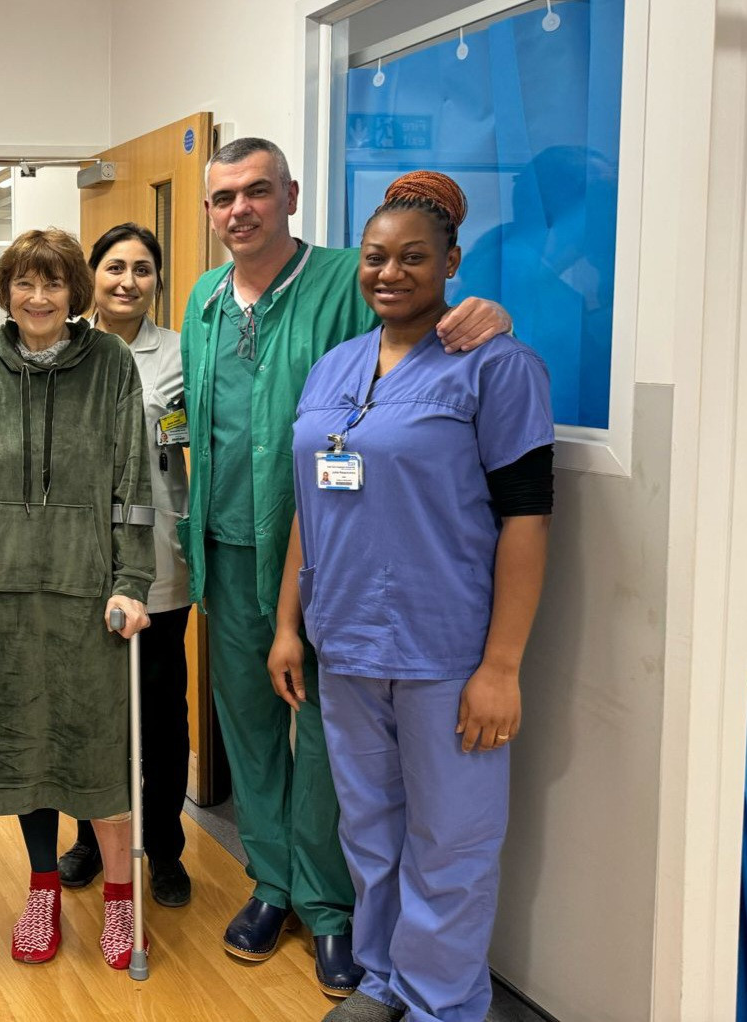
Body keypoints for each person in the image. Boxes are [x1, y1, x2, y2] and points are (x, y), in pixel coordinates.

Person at [179, 137, 512, 998]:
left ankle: (328, 907)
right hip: (227, 545)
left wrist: (493, 315)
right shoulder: (204, 299)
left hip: (328, 556)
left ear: (290, 195)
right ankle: (271, 881)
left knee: (333, 745)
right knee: (248, 724)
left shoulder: (342, 277)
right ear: (208, 210)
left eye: (256, 191)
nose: (238, 209)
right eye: (221, 197)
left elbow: (426, 335)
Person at [269, 171, 553, 1022]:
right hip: (345, 643)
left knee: (451, 843)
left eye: (413, 258)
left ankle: (441, 1002)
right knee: (369, 831)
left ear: (451, 263)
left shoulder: (494, 368)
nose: (390, 273)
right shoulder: (334, 366)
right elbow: (307, 504)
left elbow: (527, 523)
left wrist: (501, 665)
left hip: (444, 649)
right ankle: (385, 978)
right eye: (375, 257)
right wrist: (288, 624)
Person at [0, 227, 155, 970]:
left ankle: (122, 900)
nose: (38, 298)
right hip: (4, 591)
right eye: (24, 284)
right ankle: (41, 889)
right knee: (25, 749)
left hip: (86, 590)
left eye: (54, 284)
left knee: (98, 754)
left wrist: (130, 582)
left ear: (74, 293)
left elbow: (132, 486)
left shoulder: (111, 363)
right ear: (6, 290)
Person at [57, 223, 232, 909]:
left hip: (158, 563)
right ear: (91, 276)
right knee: (86, 715)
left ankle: (162, 848)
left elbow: (194, 446)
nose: (127, 281)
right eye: (113, 267)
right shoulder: (64, 350)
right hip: (78, 565)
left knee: (161, 718)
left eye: (142, 269)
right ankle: (86, 840)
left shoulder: (180, 356)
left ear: (158, 280)